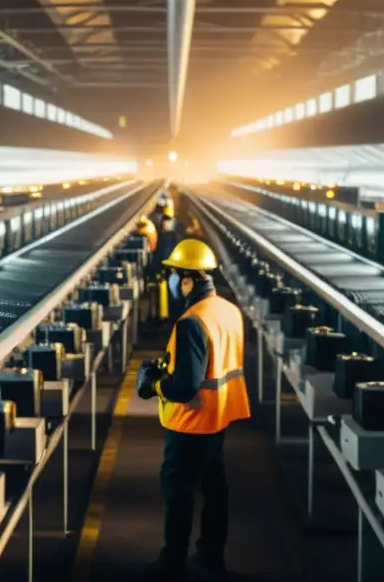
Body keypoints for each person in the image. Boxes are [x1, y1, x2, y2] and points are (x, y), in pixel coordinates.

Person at [137, 239, 251, 581]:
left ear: (188, 279)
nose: (172, 282)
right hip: (219, 416)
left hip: (191, 421)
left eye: (175, 274)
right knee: (215, 489)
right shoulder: (228, 310)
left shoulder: (191, 322)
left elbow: (186, 387)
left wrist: (154, 384)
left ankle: (172, 563)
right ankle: (210, 557)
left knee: (178, 491)